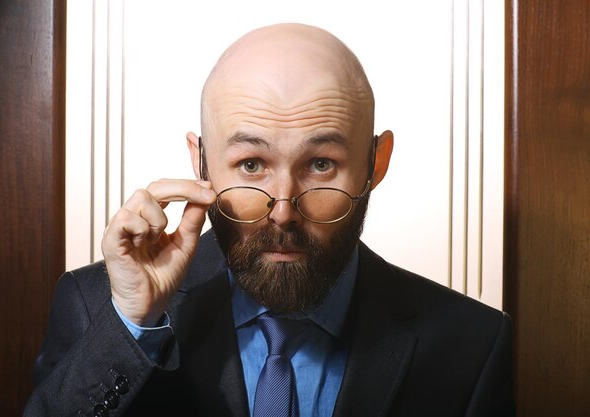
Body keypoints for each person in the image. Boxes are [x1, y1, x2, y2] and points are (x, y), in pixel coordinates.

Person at [25, 23, 514, 417]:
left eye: (320, 164)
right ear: (201, 163)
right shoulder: (98, 308)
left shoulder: (472, 345)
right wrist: (133, 323)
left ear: (376, 164)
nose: (283, 208)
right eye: (252, 165)